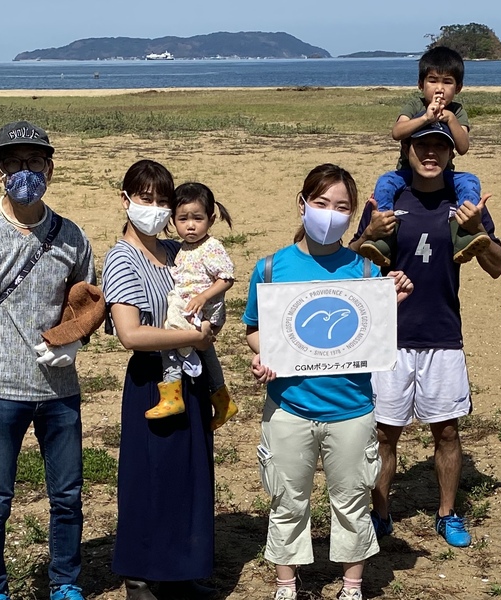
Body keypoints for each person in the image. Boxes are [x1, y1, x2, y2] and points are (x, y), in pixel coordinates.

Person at [244, 164, 414, 600]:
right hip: (289, 407)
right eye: (321, 203)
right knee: (286, 500)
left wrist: (392, 298)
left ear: (353, 214)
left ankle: (352, 585)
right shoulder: (269, 268)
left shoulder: (365, 271)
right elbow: (253, 327)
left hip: (352, 407)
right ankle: (286, 584)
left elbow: (373, 333)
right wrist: (264, 353)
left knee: (353, 500)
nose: (330, 213)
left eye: (342, 207)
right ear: (302, 205)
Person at [0, 121, 95, 600]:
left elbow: (87, 305)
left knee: (67, 497)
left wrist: (75, 340)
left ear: (50, 168)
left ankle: (65, 584)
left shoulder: (72, 236)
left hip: (59, 391)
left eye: (35, 162)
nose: (25, 171)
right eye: (14, 163)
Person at [350, 119, 501, 549]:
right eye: (422, 147)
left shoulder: (464, 201)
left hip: (443, 335)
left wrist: (476, 230)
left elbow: (495, 265)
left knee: (448, 432)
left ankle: (447, 513)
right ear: (408, 152)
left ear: (452, 153)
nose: (431, 153)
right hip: (389, 337)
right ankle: (379, 513)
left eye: (441, 146)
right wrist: (367, 234)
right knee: (384, 432)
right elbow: (350, 271)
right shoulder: (388, 200)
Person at [103, 160, 219, 600]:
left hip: (188, 374)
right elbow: (131, 334)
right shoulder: (121, 258)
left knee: (187, 473)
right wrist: (193, 335)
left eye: (161, 201)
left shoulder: (175, 251)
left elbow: (209, 288)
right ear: (126, 199)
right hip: (152, 379)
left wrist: (208, 326)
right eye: (144, 198)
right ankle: (139, 573)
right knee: (148, 475)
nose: (152, 207)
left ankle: (180, 570)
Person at [357, 45, 489, 267]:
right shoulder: (415, 105)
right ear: (421, 84)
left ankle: (464, 233)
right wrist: (425, 118)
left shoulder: (456, 111)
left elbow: (463, 146)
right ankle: (386, 236)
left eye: (447, 82)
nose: (439, 89)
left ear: (458, 88)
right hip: (406, 172)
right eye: (433, 81)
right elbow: (397, 132)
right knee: (384, 184)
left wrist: (449, 119)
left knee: (470, 182)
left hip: (443, 172)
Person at [146, 181, 238, 430]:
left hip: (201, 310)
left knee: (171, 337)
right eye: (183, 219)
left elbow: (226, 278)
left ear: (211, 218)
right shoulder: (184, 248)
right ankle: (222, 400)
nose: (190, 225)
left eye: (197, 218)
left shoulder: (211, 247)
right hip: (194, 310)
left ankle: (171, 393)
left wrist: (203, 297)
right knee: (207, 353)